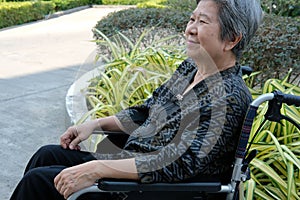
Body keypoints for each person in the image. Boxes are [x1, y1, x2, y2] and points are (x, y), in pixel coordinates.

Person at [10, 0, 263, 199]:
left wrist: (96, 169)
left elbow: (179, 164)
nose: (190, 29)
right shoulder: (190, 70)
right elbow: (148, 111)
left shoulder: (229, 96)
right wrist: (93, 125)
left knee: (39, 182)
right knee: (46, 156)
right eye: (191, 19)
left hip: (148, 190)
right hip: (127, 166)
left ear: (232, 39)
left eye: (203, 22)